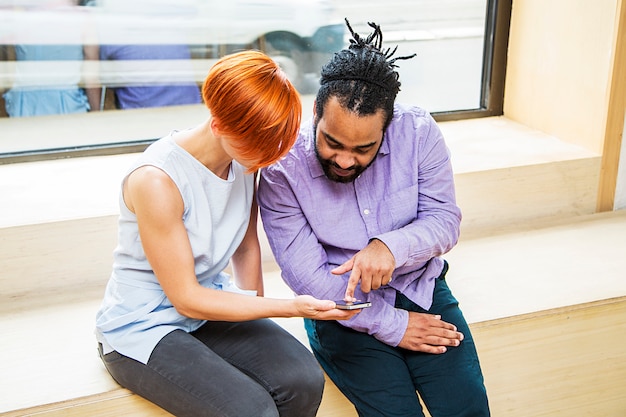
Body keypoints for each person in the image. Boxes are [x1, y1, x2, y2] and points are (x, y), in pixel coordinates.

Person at [94, 50, 358, 417]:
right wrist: (287, 308)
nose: (270, 157)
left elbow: (246, 248)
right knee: (251, 409)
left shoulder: (248, 160)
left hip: (209, 308)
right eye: (262, 146)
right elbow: (185, 298)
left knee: (304, 378)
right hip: (145, 325)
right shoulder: (156, 181)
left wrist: (256, 315)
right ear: (219, 124)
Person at [258, 20, 491, 417]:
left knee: (467, 409)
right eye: (332, 142)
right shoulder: (282, 168)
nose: (345, 160)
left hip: (420, 288)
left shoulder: (417, 132)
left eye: (363, 148)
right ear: (315, 111)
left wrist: (390, 247)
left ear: (387, 126)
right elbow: (308, 278)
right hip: (339, 311)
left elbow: (444, 219)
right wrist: (395, 325)